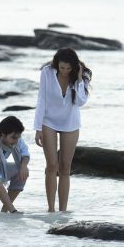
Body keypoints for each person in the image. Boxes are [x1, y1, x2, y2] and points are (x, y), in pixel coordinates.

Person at [33, 47, 91, 212]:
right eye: (62, 68)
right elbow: (41, 100)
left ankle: (63, 211)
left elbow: (80, 102)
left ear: (74, 66)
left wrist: (79, 79)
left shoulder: (82, 76)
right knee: (52, 166)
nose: (65, 71)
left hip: (70, 123)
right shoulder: (46, 72)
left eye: (68, 68)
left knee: (65, 168)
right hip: (48, 121)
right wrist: (38, 128)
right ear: (57, 64)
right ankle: (51, 210)